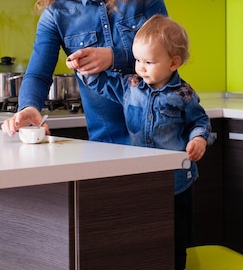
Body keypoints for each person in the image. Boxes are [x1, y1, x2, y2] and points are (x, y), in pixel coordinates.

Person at [1, 0, 167, 143]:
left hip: (163, 137)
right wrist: (29, 106)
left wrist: (114, 57)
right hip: (107, 145)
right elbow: (38, 74)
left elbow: (170, 56)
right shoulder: (57, 12)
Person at [79, 14, 214, 270]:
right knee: (144, 236)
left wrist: (199, 139)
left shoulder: (183, 95)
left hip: (177, 181)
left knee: (175, 236)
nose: (140, 67)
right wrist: (83, 69)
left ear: (173, 62)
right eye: (138, 60)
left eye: (148, 62)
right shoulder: (131, 86)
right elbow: (103, 85)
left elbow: (201, 122)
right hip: (140, 177)